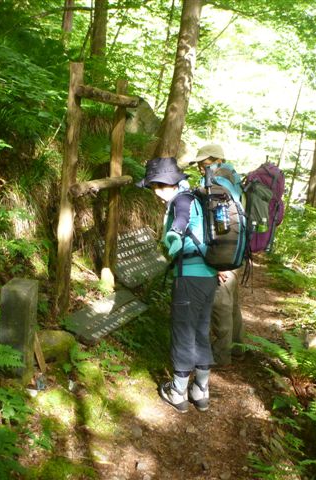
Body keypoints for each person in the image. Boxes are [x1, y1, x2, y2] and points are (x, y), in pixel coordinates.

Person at [137, 156, 218, 413]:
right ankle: (201, 391)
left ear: (163, 185)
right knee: (201, 331)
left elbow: (179, 223)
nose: (154, 192)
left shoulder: (181, 201)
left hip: (189, 277)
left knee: (184, 332)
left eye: (154, 186)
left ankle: (178, 391)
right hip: (209, 276)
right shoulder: (196, 198)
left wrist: (172, 237)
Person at [191, 144, 245, 367]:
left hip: (223, 255)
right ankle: (238, 347)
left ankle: (222, 356)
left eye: (203, 163)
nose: (200, 168)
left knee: (221, 305)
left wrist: (218, 262)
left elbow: (218, 225)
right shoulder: (233, 178)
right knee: (232, 303)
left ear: (217, 160)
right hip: (236, 251)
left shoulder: (216, 184)